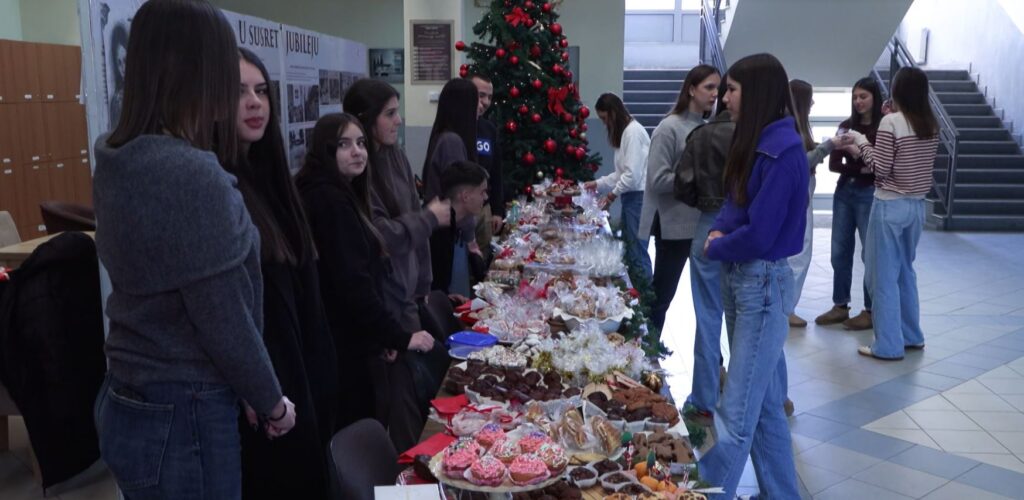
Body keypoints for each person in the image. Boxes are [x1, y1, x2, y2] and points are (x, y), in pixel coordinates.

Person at [92, 1, 293, 498]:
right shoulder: (191, 174)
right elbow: (222, 317)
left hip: (130, 393)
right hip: (185, 408)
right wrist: (270, 400)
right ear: (198, 72)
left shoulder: (117, 155)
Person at [699, 53, 806, 499]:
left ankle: (703, 492)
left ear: (756, 93)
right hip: (743, 280)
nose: (724, 98)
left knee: (736, 412)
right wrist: (721, 231)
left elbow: (761, 234)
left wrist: (718, 244)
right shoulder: (757, 141)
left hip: (761, 284)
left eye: (731, 90)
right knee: (764, 408)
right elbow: (735, 204)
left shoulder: (783, 151)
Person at [233, 48, 339, 500]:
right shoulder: (221, 189)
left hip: (305, 381)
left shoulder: (273, 180)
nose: (254, 102)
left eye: (261, 91)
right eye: (239, 92)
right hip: (270, 400)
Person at [296, 112, 436, 452]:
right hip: (343, 349)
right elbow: (353, 285)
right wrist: (398, 336)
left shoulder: (335, 193)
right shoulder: (329, 200)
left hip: (349, 340)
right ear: (325, 150)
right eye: (344, 145)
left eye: (360, 143)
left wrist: (381, 336)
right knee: (356, 437)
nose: (357, 151)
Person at [343, 79, 451, 426]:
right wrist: (428, 218)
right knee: (399, 400)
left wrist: (423, 285)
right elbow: (381, 235)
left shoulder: (397, 156)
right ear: (366, 118)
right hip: (386, 303)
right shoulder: (361, 172)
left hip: (408, 299)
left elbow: (414, 227)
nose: (399, 120)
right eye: (390, 114)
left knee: (416, 394)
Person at [845, 67, 938, 361]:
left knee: (881, 277)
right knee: (905, 272)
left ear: (897, 90)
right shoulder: (930, 123)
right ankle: (912, 335)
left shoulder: (891, 122)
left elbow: (880, 168)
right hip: (916, 206)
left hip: (889, 205)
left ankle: (887, 345)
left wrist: (861, 142)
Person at [638, 64, 720, 335]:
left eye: (718, 88)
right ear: (691, 90)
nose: (715, 94)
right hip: (673, 227)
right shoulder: (669, 128)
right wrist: (698, 178)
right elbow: (657, 180)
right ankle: (647, 350)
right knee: (662, 296)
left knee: (707, 298)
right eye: (709, 87)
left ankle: (713, 356)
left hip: (703, 223)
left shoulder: (708, 128)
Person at [675, 77, 731, 425]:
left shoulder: (702, 135)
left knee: (708, 317)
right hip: (747, 229)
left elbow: (683, 185)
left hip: (708, 225)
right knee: (750, 321)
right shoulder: (758, 137)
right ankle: (755, 400)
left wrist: (707, 203)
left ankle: (704, 401)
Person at [815, 77, 884, 330]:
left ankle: (870, 309)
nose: (858, 101)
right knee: (839, 250)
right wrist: (861, 165)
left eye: (863, 96)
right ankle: (840, 305)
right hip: (844, 191)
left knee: (869, 253)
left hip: (869, 193)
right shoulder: (846, 126)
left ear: (874, 97)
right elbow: (834, 164)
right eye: (855, 97)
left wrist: (858, 157)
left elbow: (880, 168)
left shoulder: (882, 127)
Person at [786, 80, 845, 328]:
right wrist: (828, 146)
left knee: (799, 250)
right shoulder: (792, 129)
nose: (812, 102)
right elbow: (802, 162)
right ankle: (786, 308)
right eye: (809, 98)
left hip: (801, 192)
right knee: (799, 251)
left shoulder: (794, 126)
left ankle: (786, 306)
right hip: (798, 194)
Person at [585, 93, 653, 283]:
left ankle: (644, 293)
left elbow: (631, 176)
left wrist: (611, 196)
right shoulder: (625, 133)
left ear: (613, 113)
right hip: (633, 198)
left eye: (604, 118)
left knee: (637, 250)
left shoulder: (633, 133)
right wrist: (598, 183)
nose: (604, 124)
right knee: (632, 247)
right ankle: (639, 289)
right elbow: (620, 174)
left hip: (639, 198)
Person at [430, 161, 490, 297]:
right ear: (465, 196)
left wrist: (447, 297)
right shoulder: (439, 228)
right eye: (482, 192)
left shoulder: (451, 222)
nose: (486, 197)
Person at [421, 78, 480, 204]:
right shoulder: (451, 142)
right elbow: (459, 197)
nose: (479, 107)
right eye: (476, 102)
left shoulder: (444, 137)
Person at [468, 73, 505, 263]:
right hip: (462, 211)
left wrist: (498, 210)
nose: (486, 102)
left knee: (483, 262)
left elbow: (496, 172)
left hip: (484, 210)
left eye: (489, 97)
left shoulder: (489, 129)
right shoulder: (455, 128)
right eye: (481, 95)